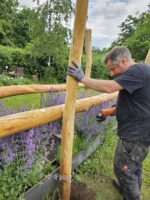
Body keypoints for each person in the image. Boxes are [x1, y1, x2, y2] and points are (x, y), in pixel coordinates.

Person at [67, 46, 150, 200]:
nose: (112, 74)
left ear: (124, 61)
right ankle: (130, 188)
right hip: (143, 133)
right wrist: (109, 111)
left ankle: (130, 193)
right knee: (135, 165)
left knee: (123, 169)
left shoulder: (137, 71)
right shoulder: (142, 72)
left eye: (113, 69)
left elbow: (109, 87)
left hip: (135, 135)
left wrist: (82, 78)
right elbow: (137, 103)